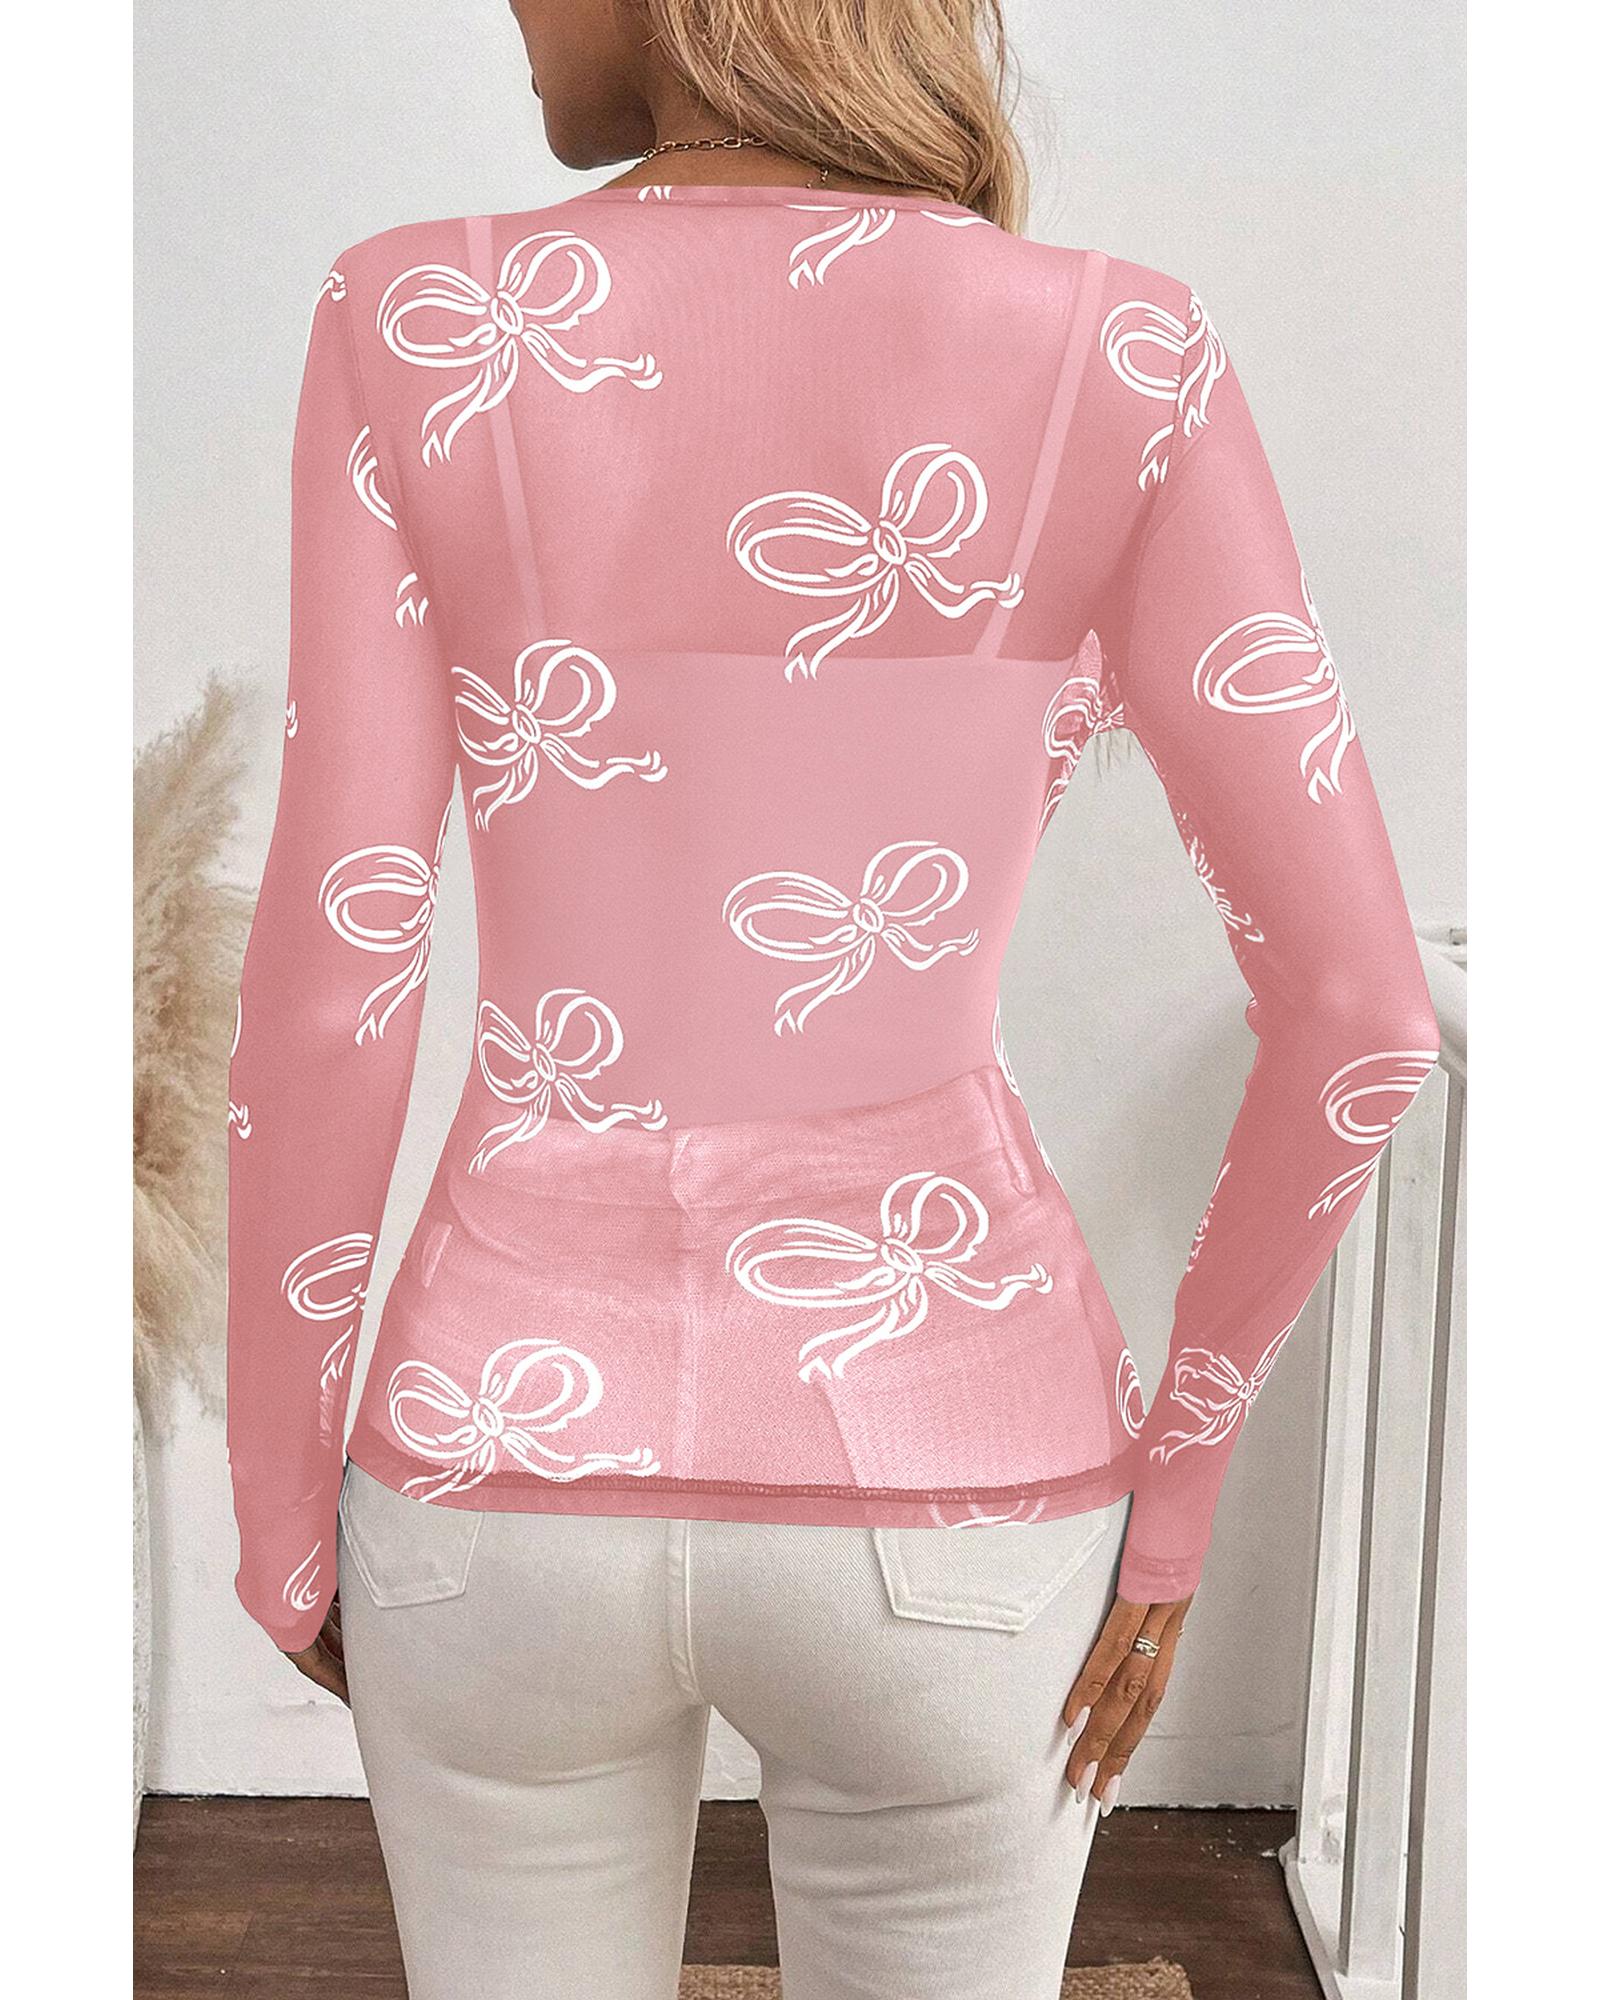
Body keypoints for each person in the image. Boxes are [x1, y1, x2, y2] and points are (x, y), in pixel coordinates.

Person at [224, 3, 1441, 1993]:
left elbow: (342, 953)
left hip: (497, 1458)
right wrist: (1175, 1505)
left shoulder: (412, 317)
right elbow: (1364, 1010)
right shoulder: (1120, 349)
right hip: (958, 1465)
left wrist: (282, 1496)